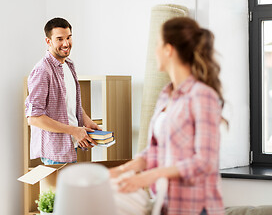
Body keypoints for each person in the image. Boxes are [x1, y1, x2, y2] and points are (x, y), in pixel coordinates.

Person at [110, 17, 225, 215]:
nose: (154, 51)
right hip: (167, 204)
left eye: (157, 44)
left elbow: (204, 161)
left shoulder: (202, 95)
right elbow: (155, 151)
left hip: (197, 207)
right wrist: (121, 171)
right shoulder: (166, 95)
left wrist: (150, 176)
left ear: (168, 49)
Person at [25, 17, 99, 165]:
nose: (66, 44)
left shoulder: (69, 65)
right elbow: (34, 117)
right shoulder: (42, 71)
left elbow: (70, 102)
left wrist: (86, 121)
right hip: (54, 152)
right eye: (59, 39)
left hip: (71, 145)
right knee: (58, 189)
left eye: (69, 37)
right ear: (48, 41)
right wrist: (74, 130)